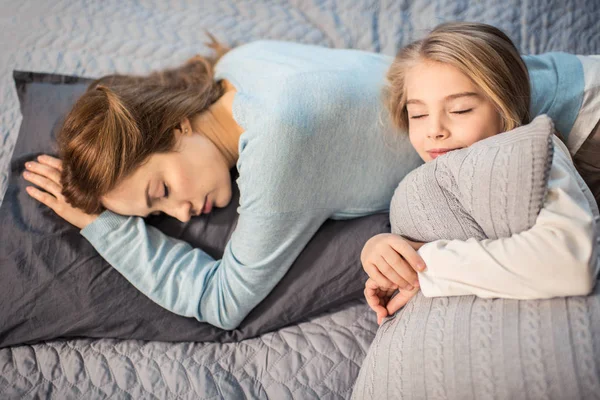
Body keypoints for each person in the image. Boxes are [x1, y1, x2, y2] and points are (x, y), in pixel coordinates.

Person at [22, 30, 596, 330]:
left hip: (576, 136)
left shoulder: (278, 153)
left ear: (172, 127)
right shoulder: (238, 65)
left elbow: (218, 302)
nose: (178, 213)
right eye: (154, 217)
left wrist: (105, 228)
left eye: (160, 191)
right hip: (568, 72)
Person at [361, 22, 599, 325]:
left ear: (505, 107)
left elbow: (570, 262)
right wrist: (378, 248)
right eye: (418, 114)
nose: (434, 131)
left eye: (460, 110)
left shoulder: (526, 150)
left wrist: (425, 266)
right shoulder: (444, 163)